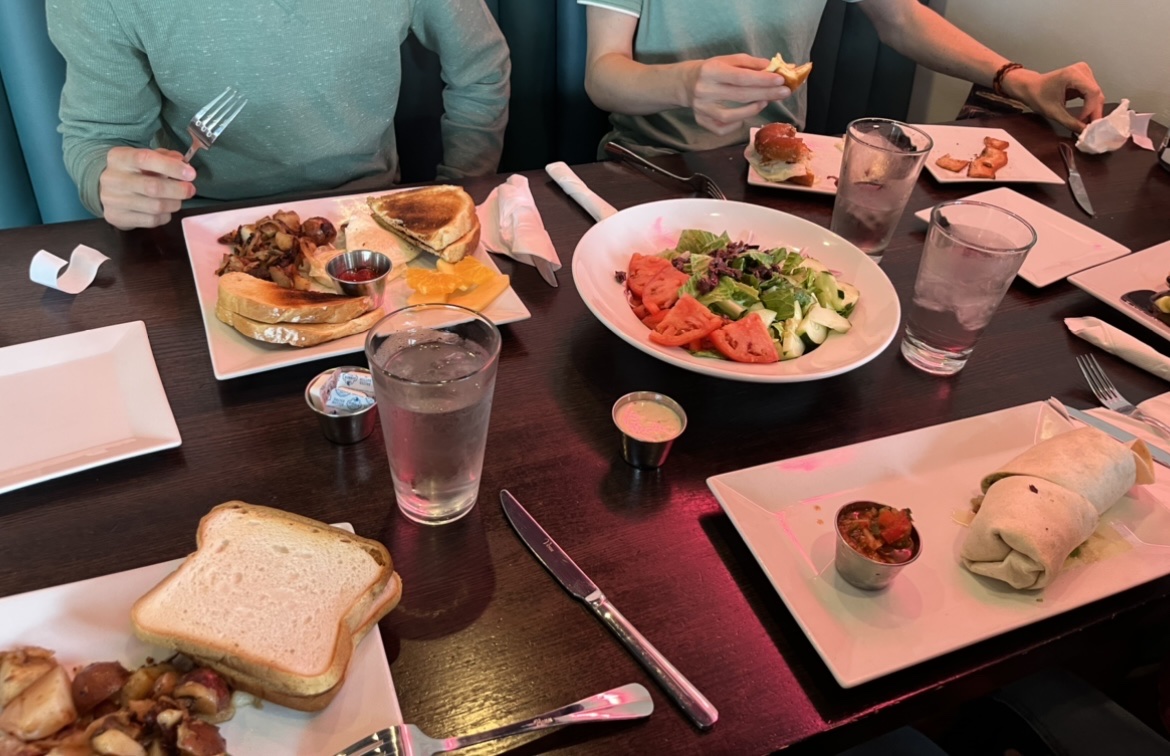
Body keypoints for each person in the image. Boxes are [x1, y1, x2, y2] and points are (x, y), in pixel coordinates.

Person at [45, 0, 510, 231]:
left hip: (370, 214)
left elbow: (481, 68)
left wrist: (461, 188)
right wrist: (109, 181)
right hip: (206, 228)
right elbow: (98, 136)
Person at [579, 0, 1105, 157]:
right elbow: (604, 75)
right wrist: (685, 83)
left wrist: (1015, 78)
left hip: (779, 166)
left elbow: (901, 17)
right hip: (649, 166)